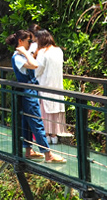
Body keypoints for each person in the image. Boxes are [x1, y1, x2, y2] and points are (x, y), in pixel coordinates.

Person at [7, 30, 66, 163]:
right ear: (21, 42)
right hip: (28, 92)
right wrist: (26, 52)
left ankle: (28, 150)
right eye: (29, 41)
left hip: (29, 91)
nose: (31, 44)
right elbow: (35, 65)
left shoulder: (21, 56)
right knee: (36, 121)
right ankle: (48, 154)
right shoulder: (17, 57)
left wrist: (27, 53)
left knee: (27, 121)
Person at [34, 29, 66, 145]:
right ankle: (54, 136)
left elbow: (37, 70)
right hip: (57, 86)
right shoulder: (58, 51)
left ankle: (46, 137)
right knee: (55, 110)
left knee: (44, 112)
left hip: (44, 85)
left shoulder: (42, 52)